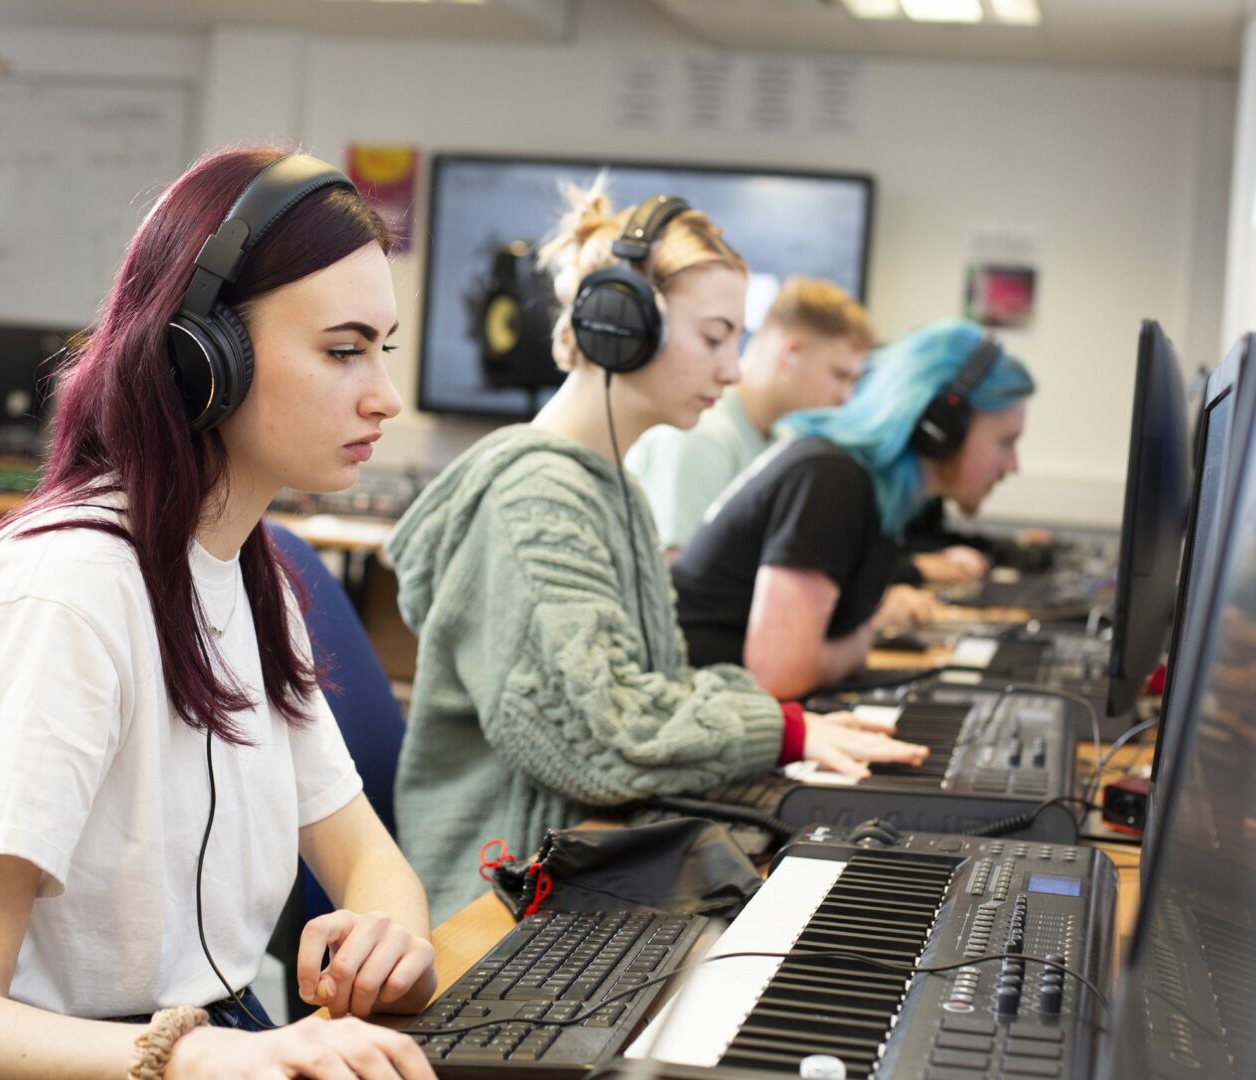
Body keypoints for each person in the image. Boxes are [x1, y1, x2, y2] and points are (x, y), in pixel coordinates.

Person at [0, 148, 437, 1080]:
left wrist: (393, 941)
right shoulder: (59, 603)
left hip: (212, 1038)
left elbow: (373, 866)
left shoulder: (250, 578)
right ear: (200, 359)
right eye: (343, 350)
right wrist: (197, 1058)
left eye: (383, 347)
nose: (383, 394)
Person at [387, 185, 927, 921]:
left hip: (579, 848)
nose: (735, 370)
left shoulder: (614, 493)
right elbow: (600, 736)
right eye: (713, 337)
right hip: (496, 898)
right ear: (620, 327)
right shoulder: (533, 501)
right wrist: (785, 727)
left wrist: (773, 730)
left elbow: (652, 691)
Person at [672, 319, 1036, 700]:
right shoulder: (831, 480)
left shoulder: (860, 486)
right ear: (941, 426)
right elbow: (779, 674)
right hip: (694, 715)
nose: (1012, 465)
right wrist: (855, 646)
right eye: (1005, 442)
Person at [624, 275, 874, 551]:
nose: (845, 396)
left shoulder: (781, 440)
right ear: (790, 354)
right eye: (840, 375)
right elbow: (679, 580)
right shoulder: (700, 435)